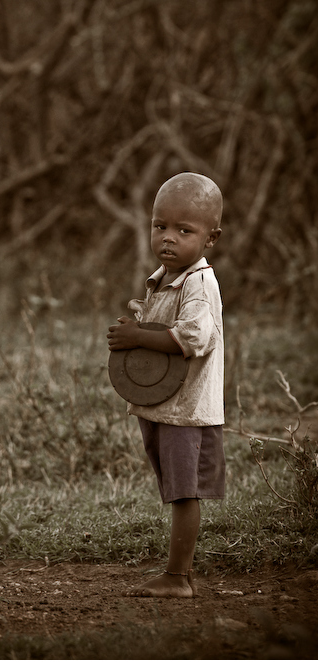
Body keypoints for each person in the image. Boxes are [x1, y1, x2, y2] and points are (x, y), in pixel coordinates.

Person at [107, 171, 225, 598]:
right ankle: (176, 575)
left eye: (184, 230)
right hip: (164, 405)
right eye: (160, 226)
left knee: (182, 492)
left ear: (210, 239)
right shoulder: (164, 277)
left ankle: (178, 578)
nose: (168, 238)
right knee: (174, 487)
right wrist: (137, 331)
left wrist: (139, 338)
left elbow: (192, 338)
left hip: (187, 410)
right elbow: (163, 332)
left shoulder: (199, 283)